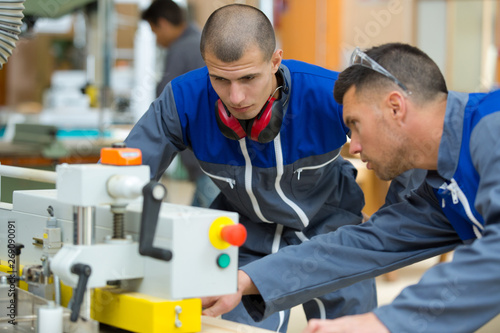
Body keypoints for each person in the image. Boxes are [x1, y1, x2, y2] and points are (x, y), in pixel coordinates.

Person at [201, 42, 500, 333]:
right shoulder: (441, 189)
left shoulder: (491, 126)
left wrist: (382, 323)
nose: (353, 146)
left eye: (355, 124)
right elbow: (362, 245)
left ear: (395, 107)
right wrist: (246, 279)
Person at [125, 4, 377, 332]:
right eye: (220, 79)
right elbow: (126, 177)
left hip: (332, 233)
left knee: (353, 326)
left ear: (275, 60)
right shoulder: (183, 99)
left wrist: (386, 223)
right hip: (244, 238)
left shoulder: (330, 94)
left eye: (249, 77)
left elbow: (402, 155)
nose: (237, 97)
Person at [141, 0, 218, 207]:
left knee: (207, 223)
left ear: (163, 24)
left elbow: (165, 107)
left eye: (154, 31)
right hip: (217, 153)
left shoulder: (181, 49)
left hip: (205, 157)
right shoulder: (202, 40)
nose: (157, 40)